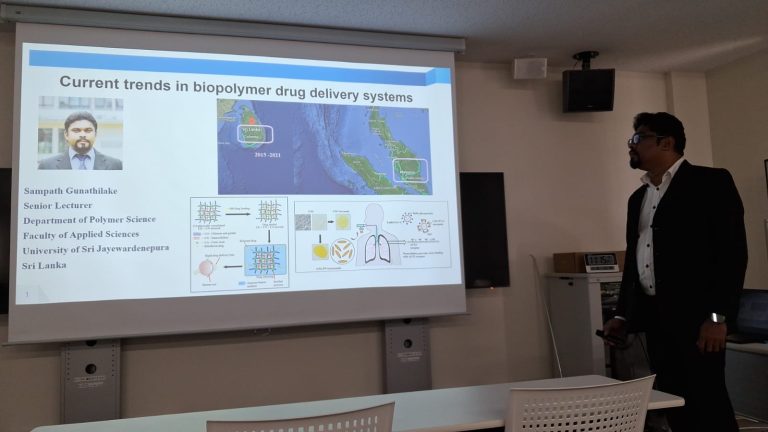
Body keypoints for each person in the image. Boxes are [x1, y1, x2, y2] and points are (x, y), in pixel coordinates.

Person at [603, 112, 747, 432]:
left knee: (708, 403)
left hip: (699, 321)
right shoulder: (638, 198)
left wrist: (717, 318)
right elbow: (636, 262)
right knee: (674, 402)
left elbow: (732, 255)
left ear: (666, 143)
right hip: (657, 319)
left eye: (639, 138)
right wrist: (623, 314)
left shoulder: (710, 183)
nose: (631, 145)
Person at [38, 111, 122, 170]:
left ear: (95, 134)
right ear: (66, 135)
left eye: (88, 130)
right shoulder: (46, 165)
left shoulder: (115, 165)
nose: (82, 135)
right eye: (76, 130)